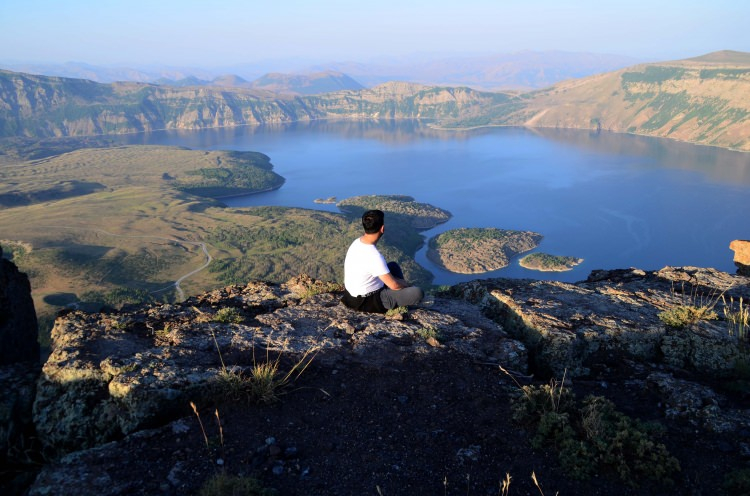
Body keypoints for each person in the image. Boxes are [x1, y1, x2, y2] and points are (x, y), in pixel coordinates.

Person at [341, 209, 424, 313]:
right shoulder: (374, 255)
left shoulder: (357, 242)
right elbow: (394, 285)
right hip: (367, 301)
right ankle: (400, 301)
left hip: (350, 296)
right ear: (382, 228)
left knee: (393, 266)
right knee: (418, 293)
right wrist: (405, 284)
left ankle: (399, 296)